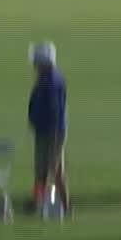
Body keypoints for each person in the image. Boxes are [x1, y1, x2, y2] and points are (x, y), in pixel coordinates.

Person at [27, 41, 70, 213]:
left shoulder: (52, 81)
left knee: (55, 168)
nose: (34, 65)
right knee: (40, 170)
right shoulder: (46, 79)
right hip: (43, 130)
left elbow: (53, 109)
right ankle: (37, 202)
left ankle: (64, 204)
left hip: (52, 132)